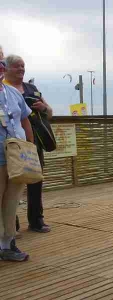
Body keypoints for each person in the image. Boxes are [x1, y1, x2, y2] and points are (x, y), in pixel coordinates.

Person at [4, 54, 53, 233]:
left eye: (23, 66)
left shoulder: (31, 88)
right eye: (17, 66)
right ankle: (12, 224)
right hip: (11, 142)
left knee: (35, 179)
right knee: (11, 183)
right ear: (6, 68)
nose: (21, 69)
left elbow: (50, 113)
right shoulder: (4, 88)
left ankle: (36, 220)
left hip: (34, 141)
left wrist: (44, 108)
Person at [0, 59, 33, 261]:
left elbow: (25, 119)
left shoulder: (12, 92)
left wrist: (30, 146)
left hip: (16, 157)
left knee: (12, 202)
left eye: (1, 62)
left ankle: (8, 243)